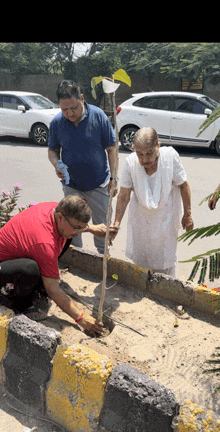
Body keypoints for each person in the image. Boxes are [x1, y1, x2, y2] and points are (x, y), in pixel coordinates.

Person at [0, 195, 108, 335]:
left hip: (21, 254)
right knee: (29, 269)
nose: (79, 231)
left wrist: (91, 228)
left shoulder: (54, 208)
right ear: (60, 217)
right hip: (4, 267)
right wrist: (81, 318)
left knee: (68, 237)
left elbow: (72, 228)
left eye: (82, 227)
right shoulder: (45, 243)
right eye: (77, 227)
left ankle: (37, 285)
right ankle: (22, 305)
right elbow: (53, 290)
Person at [110, 127, 194, 278]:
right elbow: (123, 196)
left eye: (149, 153)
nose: (144, 159)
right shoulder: (131, 163)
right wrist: (116, 224)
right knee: (142, 266)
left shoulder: (170, 157)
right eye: (139, 154)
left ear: (158, 146)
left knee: (165, 268)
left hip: (166, 222)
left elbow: (183, 185)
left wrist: (187, 214)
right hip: (141, 222)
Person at [48, 80, 118, 254]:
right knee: (71, 228)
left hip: (99, 184)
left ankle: (104, 258)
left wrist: (114, 178)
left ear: (81, 98)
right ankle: (75, 258)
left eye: (74, 108)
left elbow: (112, 149)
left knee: (103, 227)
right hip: (72, 186)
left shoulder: (98, 116)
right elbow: (52, 150)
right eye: (65, 109)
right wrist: (56, 164)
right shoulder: (57, 123)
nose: (70, 113)